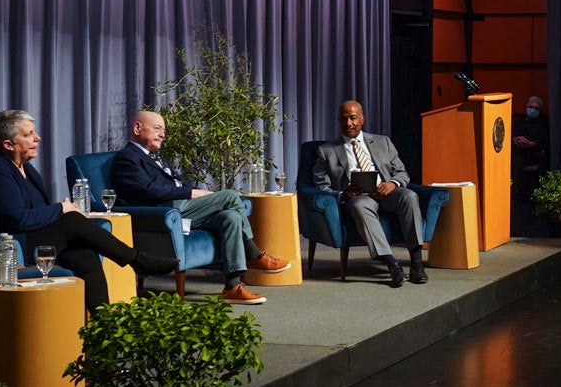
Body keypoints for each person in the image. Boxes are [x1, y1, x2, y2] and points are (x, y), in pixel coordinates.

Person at [0, 109, 176, 309]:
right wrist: (61, 208)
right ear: (8, 144)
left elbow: (38, 212)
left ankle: (104, 326)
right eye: (28, 134)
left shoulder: (26, 168)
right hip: (11, 245)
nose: (38, 138)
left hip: (32, 236)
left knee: (85, 256)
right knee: (71, 220)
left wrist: (60, 211)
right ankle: (138, 260)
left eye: (34, 132)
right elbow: (17, 219)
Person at [110, 111, 285, 306]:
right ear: (137, 128)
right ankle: (253, 255)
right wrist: (191, 193)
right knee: (230, 195)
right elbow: (147, 191)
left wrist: (192, 193)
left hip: (179, 208)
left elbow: (174, 183)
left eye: (164, 130)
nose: (163, 135)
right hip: (163, 212)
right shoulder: (127, 158)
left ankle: (232, 286)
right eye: (157, 128)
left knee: (230, 217)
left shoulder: (153, 156)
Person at [313, 100, 427, 287]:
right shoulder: (327, 150)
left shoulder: (383, 142)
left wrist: (392, 183)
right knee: (360, 205)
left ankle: (416, 263)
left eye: (353, 118)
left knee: (409, 196)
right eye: (344, 119)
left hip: (386, 192)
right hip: (358, 197)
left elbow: (401, 172)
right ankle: (392, 264)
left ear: (362, 119)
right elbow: (320, 186)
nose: (349, 123)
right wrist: (343, 193)